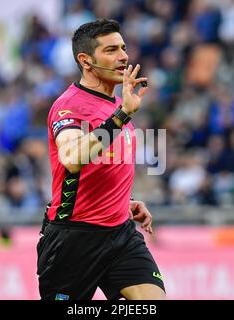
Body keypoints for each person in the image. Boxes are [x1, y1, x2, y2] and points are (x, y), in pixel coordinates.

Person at [37, 19, 166, 300]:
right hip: (74, 239)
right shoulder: (69, 106)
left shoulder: (118, 104)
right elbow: (72, 158)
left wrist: (123, 200)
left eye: (123, 48)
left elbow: (109, 164)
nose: (123, 56)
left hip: (121, 233)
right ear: (86, 61)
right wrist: (121, 117)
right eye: (110, 50)